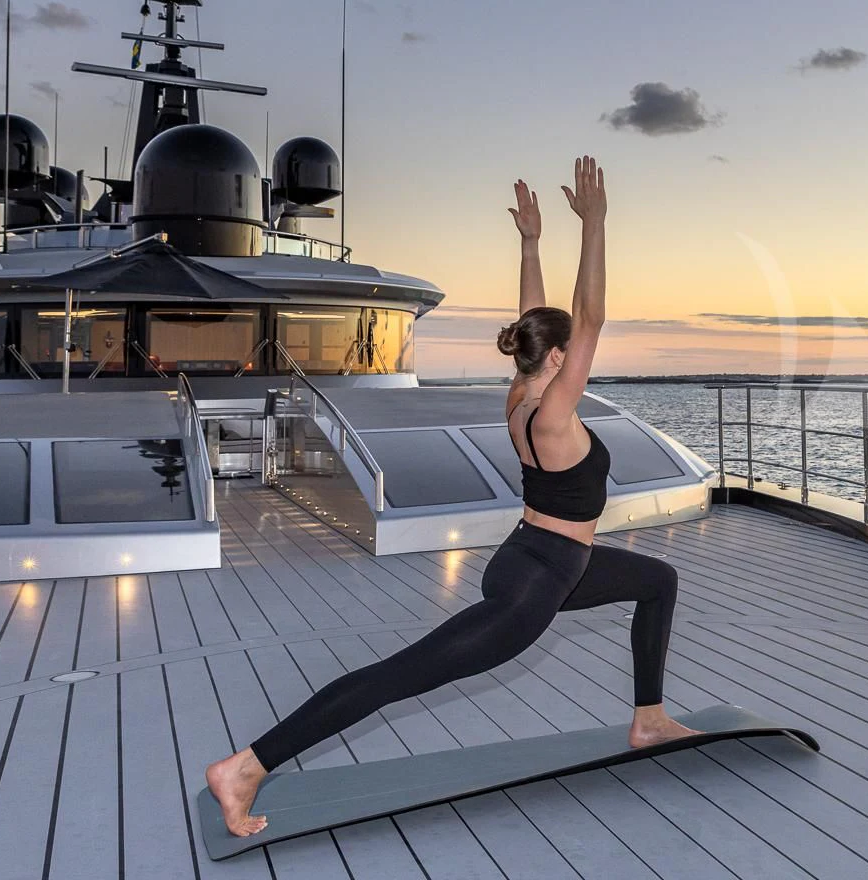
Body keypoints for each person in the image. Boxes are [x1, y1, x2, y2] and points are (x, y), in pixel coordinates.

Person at [206, 156, 695, 838]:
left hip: (544, 560)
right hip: (535, 586)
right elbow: (590, 317)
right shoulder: (554, 413)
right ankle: (247, 766)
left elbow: (542, 321)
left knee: (657, 581)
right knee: (393, 679)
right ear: (560, 359)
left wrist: (531, 242)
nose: (581, 354)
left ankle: (648, 718)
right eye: (573, 350)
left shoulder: (521, 394)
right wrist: (596, 223)